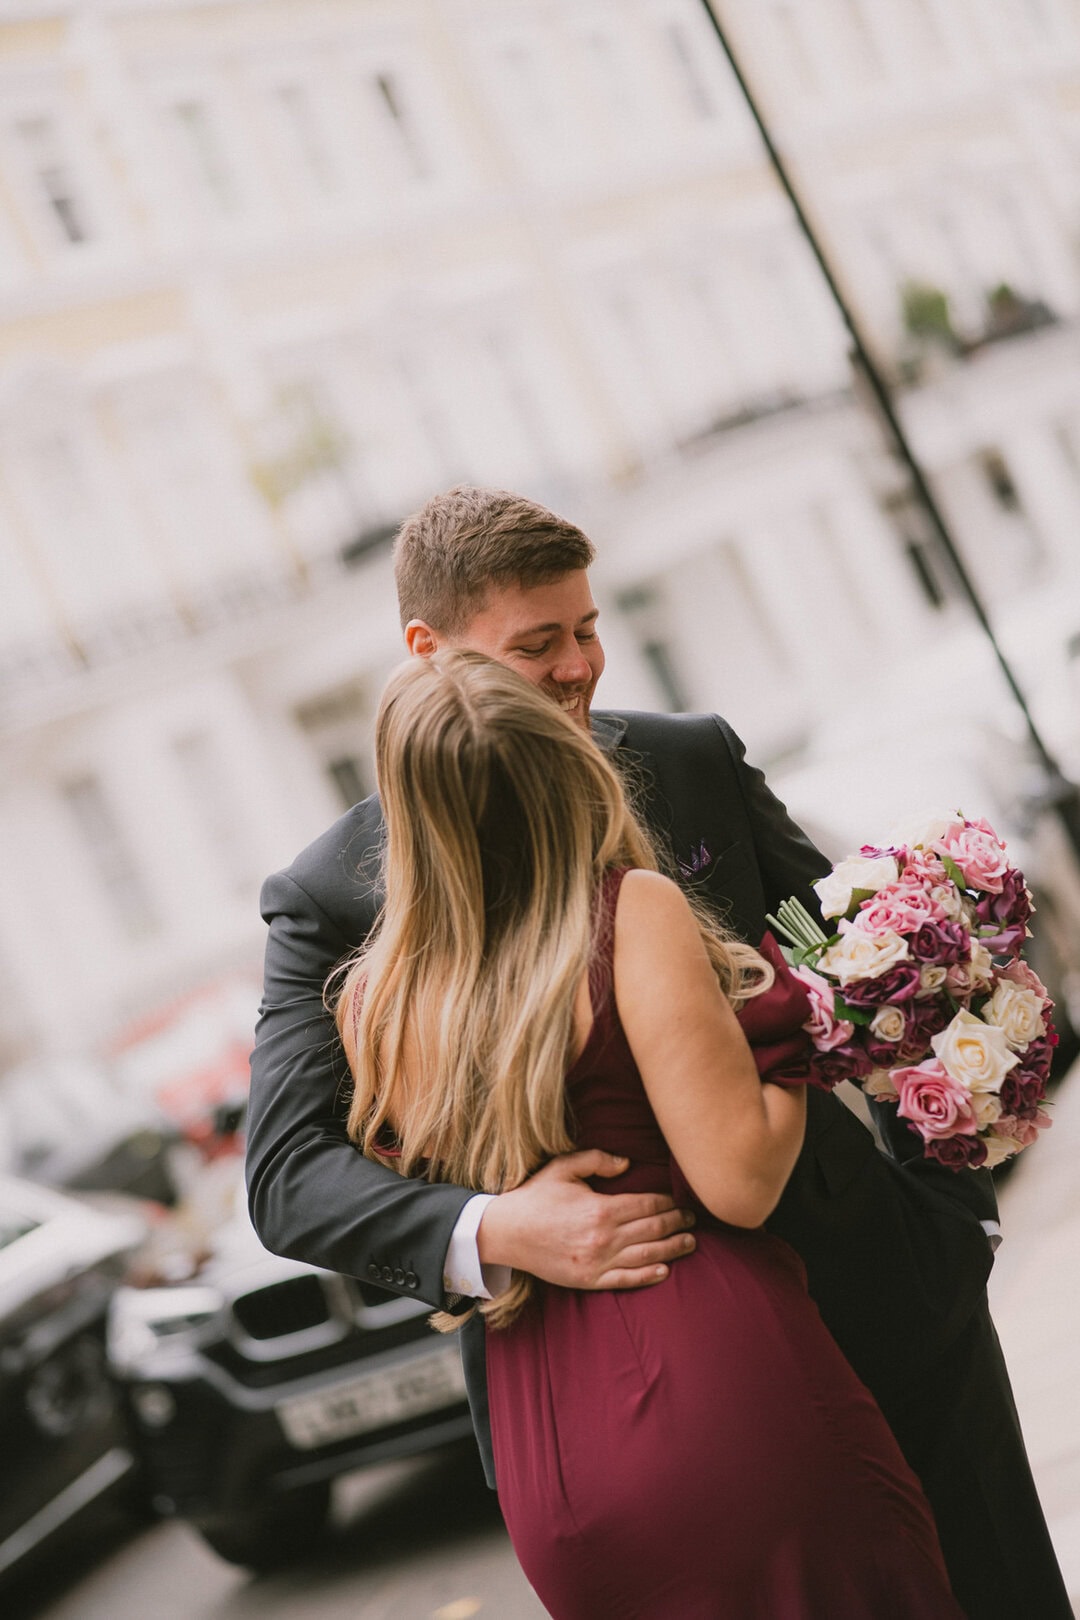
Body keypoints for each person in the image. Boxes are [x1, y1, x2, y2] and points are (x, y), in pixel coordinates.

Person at [247, 486, 1071, 1620]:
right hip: (639, 1393)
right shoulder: (331, 895)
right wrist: (493, 1227)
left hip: (885, 1305)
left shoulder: (690, 760)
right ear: (428, 651)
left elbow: (851, 958)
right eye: (537, 645)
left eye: (588, 629)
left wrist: (952, 1194)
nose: (581, 667)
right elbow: (287, 1176)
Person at [331, 647, 966, 1618]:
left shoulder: (373, 1002)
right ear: (562, 766)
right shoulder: (630, 915)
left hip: (552, 1455)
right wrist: (795, 1022)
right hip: (718, 1388)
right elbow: (742, 1180)